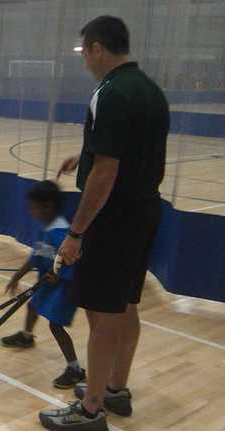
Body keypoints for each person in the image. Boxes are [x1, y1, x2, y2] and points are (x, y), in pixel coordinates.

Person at [39, 16, 169, 431]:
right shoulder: (150, 90)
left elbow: (107, 172)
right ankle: (115, 389)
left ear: (97, 48)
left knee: (100, 315)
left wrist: (76, 234)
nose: (85, 62)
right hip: (145, 211)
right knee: (127, 305)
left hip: (111, 219)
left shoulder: (110, 93)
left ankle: (91, 410)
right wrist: (87, 154)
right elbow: (126, 148)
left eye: (85, 52)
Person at [0, 180, 85, 389]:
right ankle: (27, 337)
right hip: (47, 284)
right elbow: (35, 255)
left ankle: (75, 368)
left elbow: (75, 265)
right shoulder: (45, 228)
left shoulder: (62, 234)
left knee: (55, 325)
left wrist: (60, 275)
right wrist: (17, 276)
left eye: (33, 208)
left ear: (48, 207)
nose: (31, 212)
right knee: (32, 305)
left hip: (64, 289)